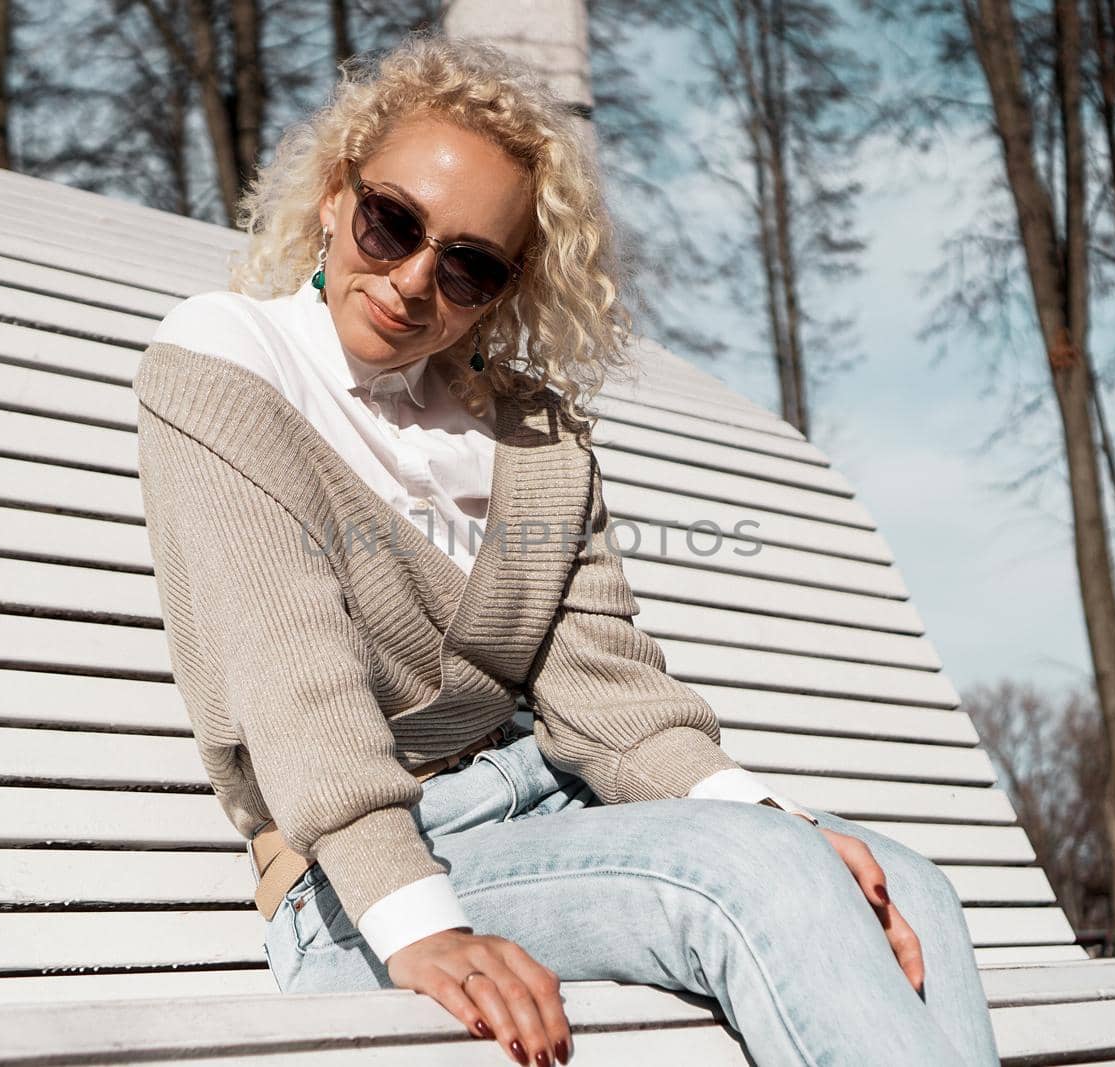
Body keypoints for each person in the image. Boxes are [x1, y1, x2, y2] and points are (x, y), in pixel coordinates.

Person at [134, 30, 1002, 1067]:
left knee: (898, 879)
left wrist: (777, 816)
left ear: (503, 288)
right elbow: (293, 683)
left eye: (466, 265)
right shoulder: (227, 358)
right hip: (356, 884)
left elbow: (611, 699)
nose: (413, 281)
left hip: (551, 812)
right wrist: (423, 924)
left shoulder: (531, 434)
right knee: (763, 875)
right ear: (333, 195)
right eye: (390, 221)